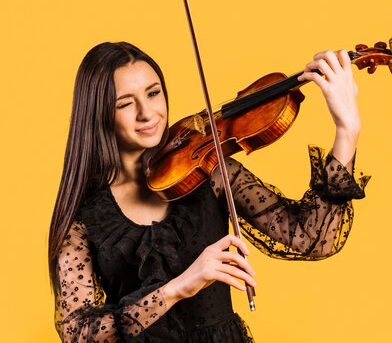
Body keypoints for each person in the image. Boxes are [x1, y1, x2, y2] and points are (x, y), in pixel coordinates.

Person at [48, 41, 370, 342]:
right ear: (99, 113)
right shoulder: (85, 215)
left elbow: (311, 236)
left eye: (153, 93)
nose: (147, 113)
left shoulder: (207, 170)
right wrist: (178, 287)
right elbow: (79, 332)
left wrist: (347, 130)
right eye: (125, 103)